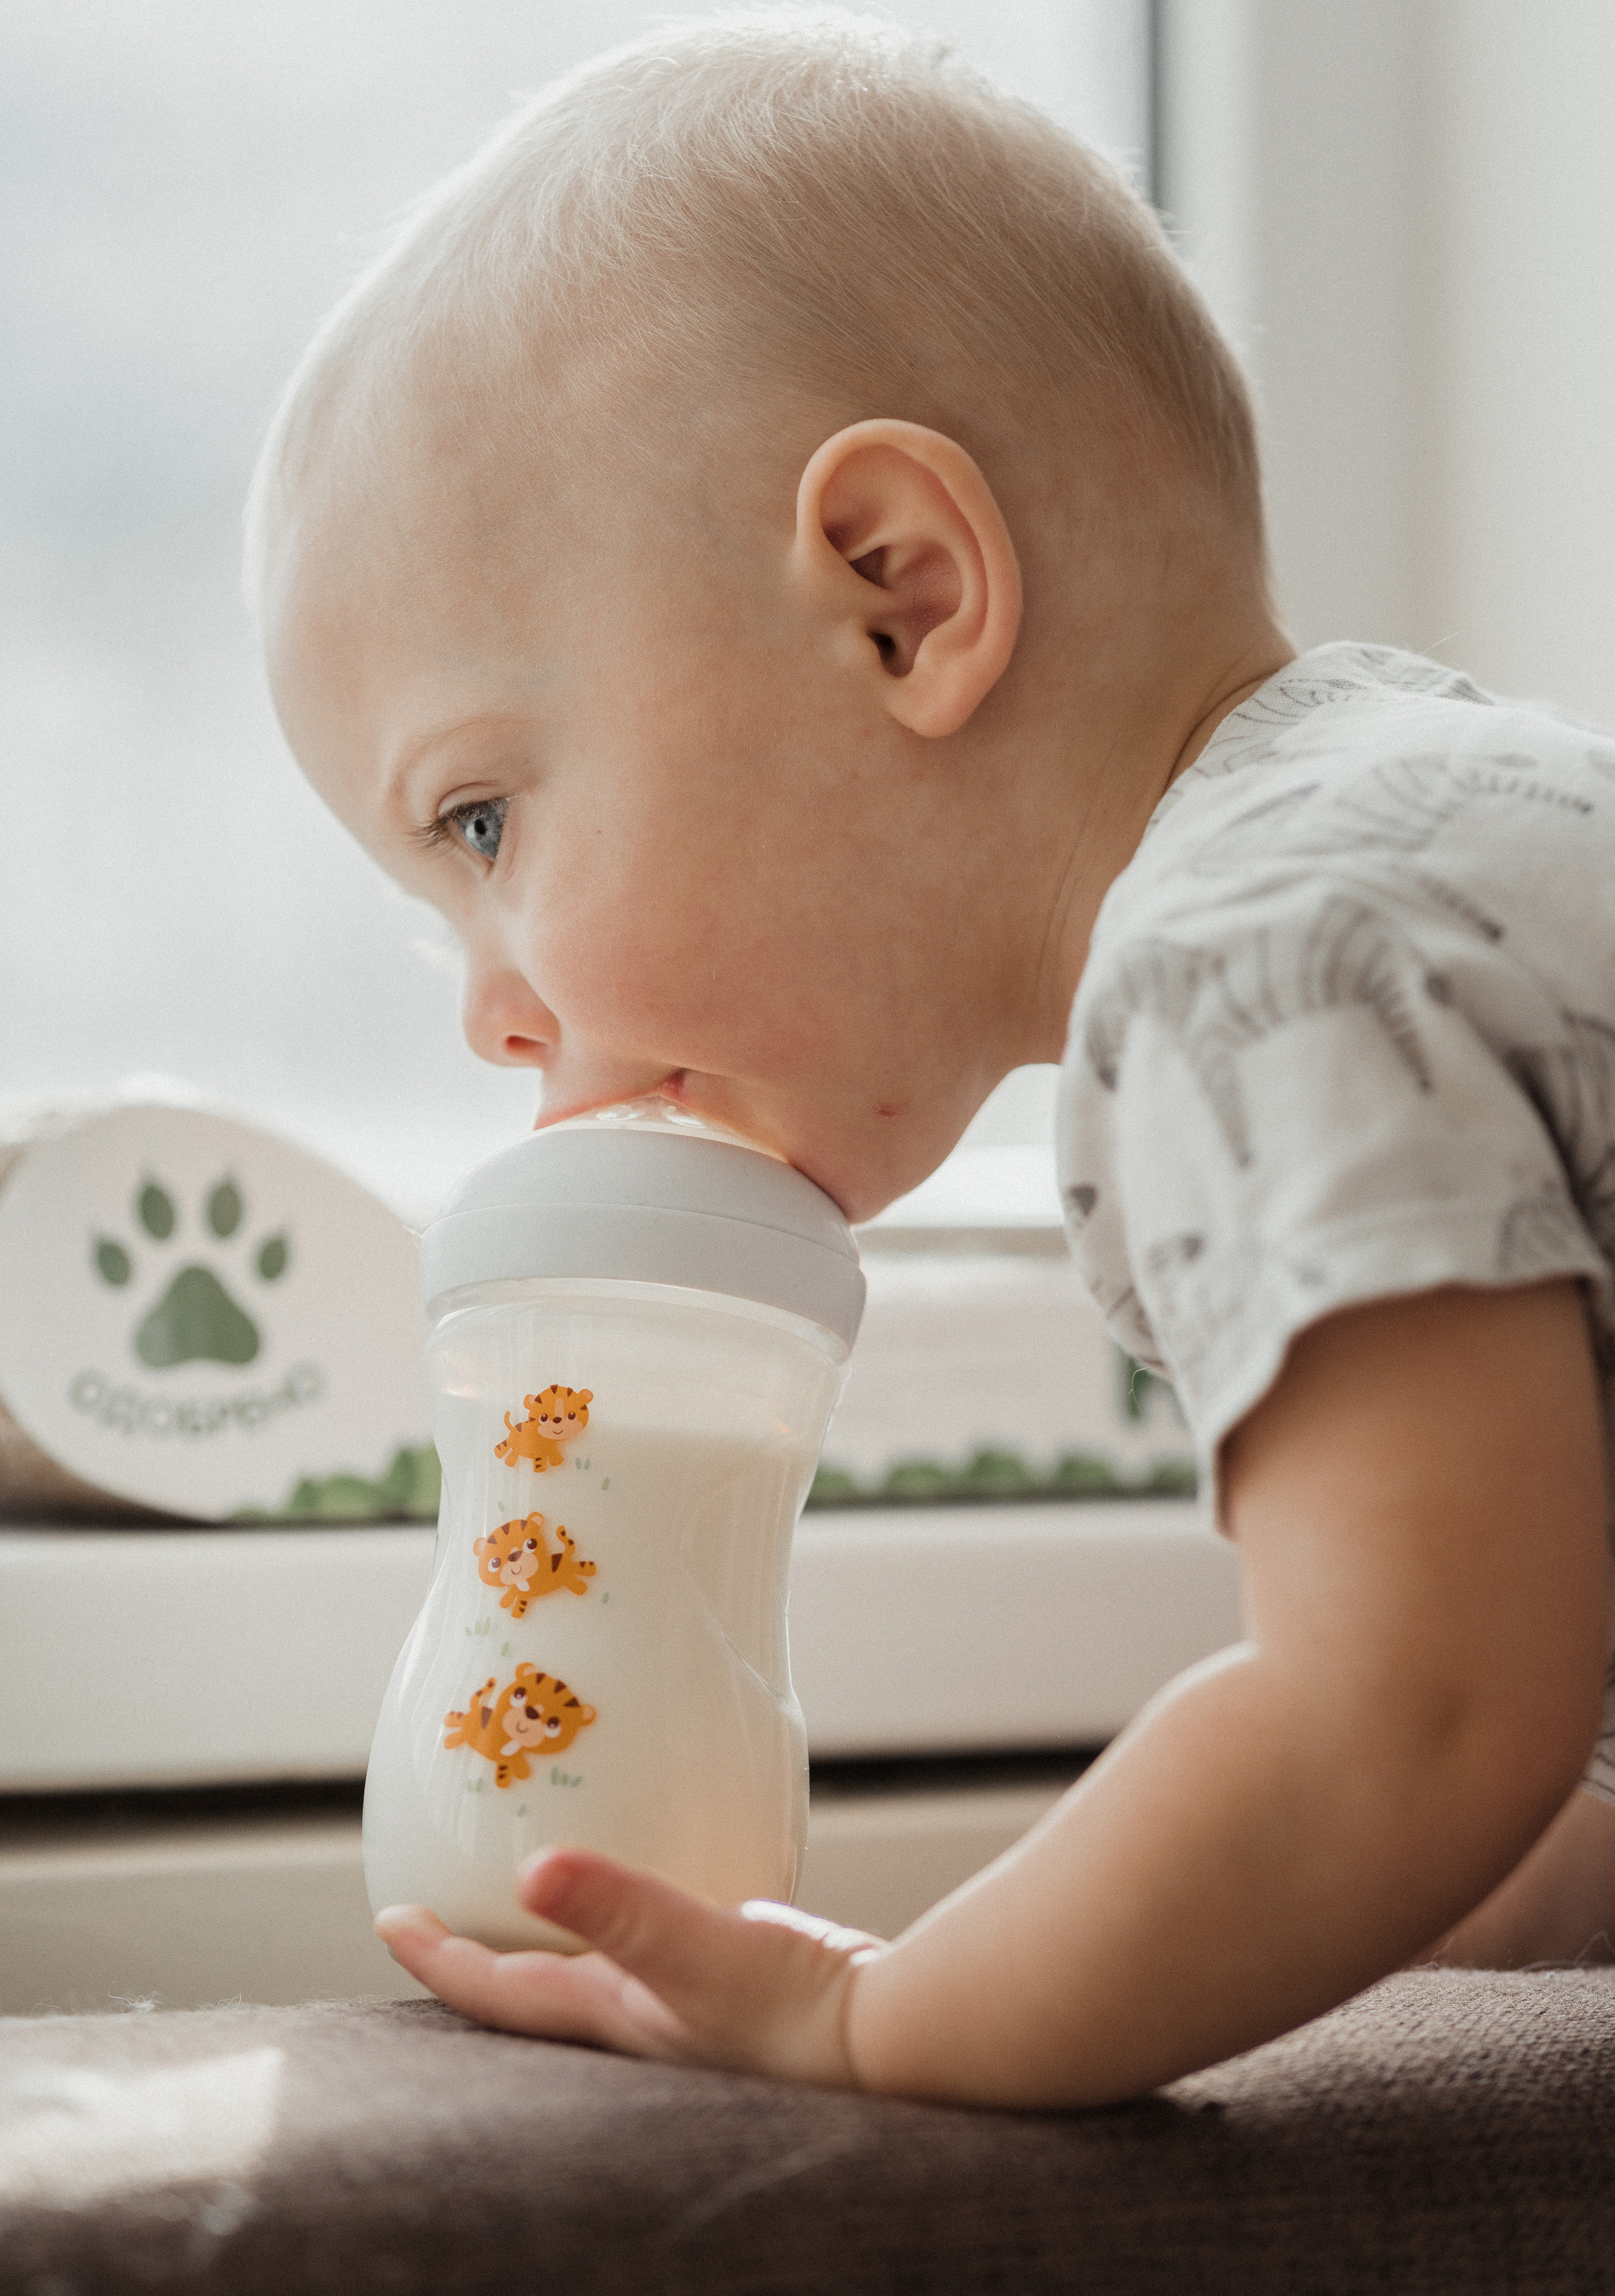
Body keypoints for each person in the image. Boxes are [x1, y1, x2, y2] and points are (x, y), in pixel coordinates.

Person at [248, 9, 1615, 2107]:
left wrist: (880, 2013)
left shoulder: (1255, 961)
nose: (488, 1008)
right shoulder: (1440, 828)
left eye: (485, 824)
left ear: (898, 595)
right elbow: (1522, 1767)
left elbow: (1419, 1714)